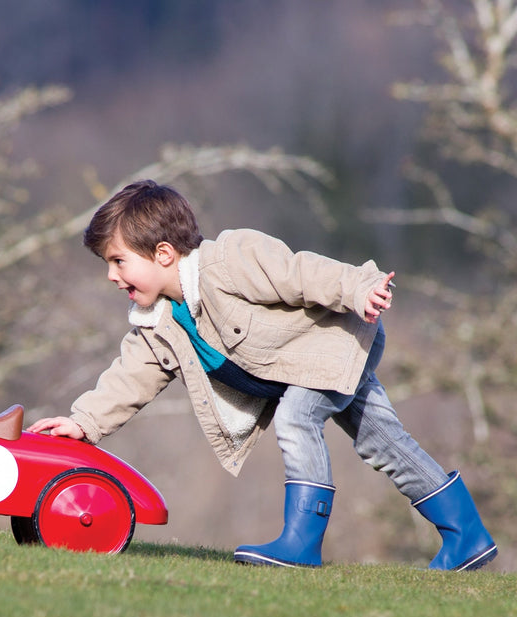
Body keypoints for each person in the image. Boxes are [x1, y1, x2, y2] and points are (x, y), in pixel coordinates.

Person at [28, 180, 497, 571]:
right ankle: (466, 536)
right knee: (383, 441)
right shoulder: (159, 322)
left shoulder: (229, 260)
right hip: (303, 367)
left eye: (118, 261)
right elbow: (130, 376)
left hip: (335, 341)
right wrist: (84, 423)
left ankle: (302, 543)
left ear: (164, 253)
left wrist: (360, 287)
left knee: (297, 418)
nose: (112, 276)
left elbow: (301, 273)